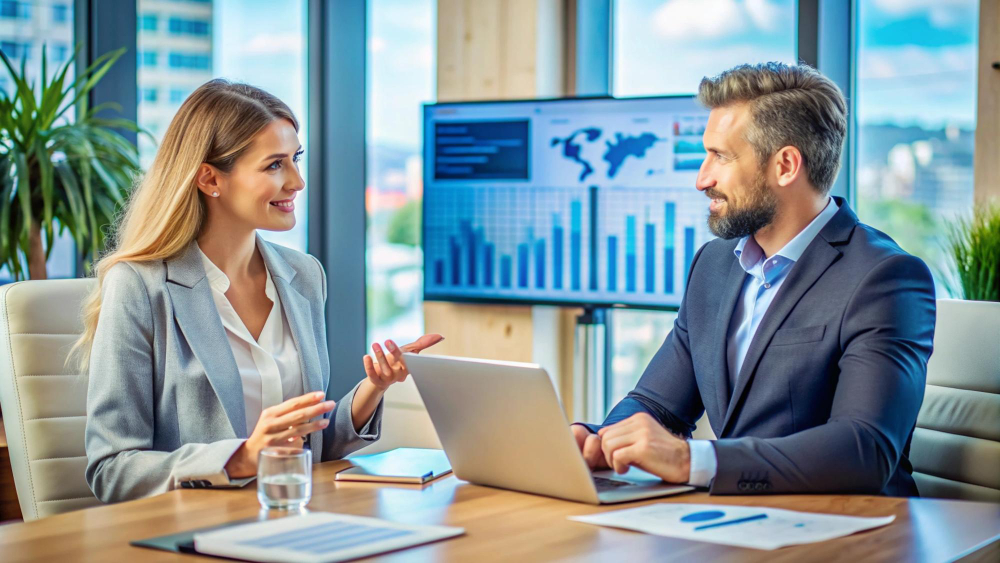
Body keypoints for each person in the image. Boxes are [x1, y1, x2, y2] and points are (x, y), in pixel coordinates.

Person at [571, 62, 935, 496]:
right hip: (736, 522)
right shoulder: (714, 264)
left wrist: (690, 460)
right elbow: (656, 404)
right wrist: (598, 441)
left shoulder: (885, 279)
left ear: (785, 166)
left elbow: (864, 450)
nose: (701, 179)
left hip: (848, 533)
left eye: (720, 156)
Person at [76, 79, 441, 504]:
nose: (298, 182)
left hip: (288, 521)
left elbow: (309, 449)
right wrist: (241, 457)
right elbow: (112, 470)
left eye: (296, 159)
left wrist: (373, 389)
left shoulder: (304, 276)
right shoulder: (139, 286)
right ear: (210, 179)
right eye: (274, 165)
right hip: (192, 534)